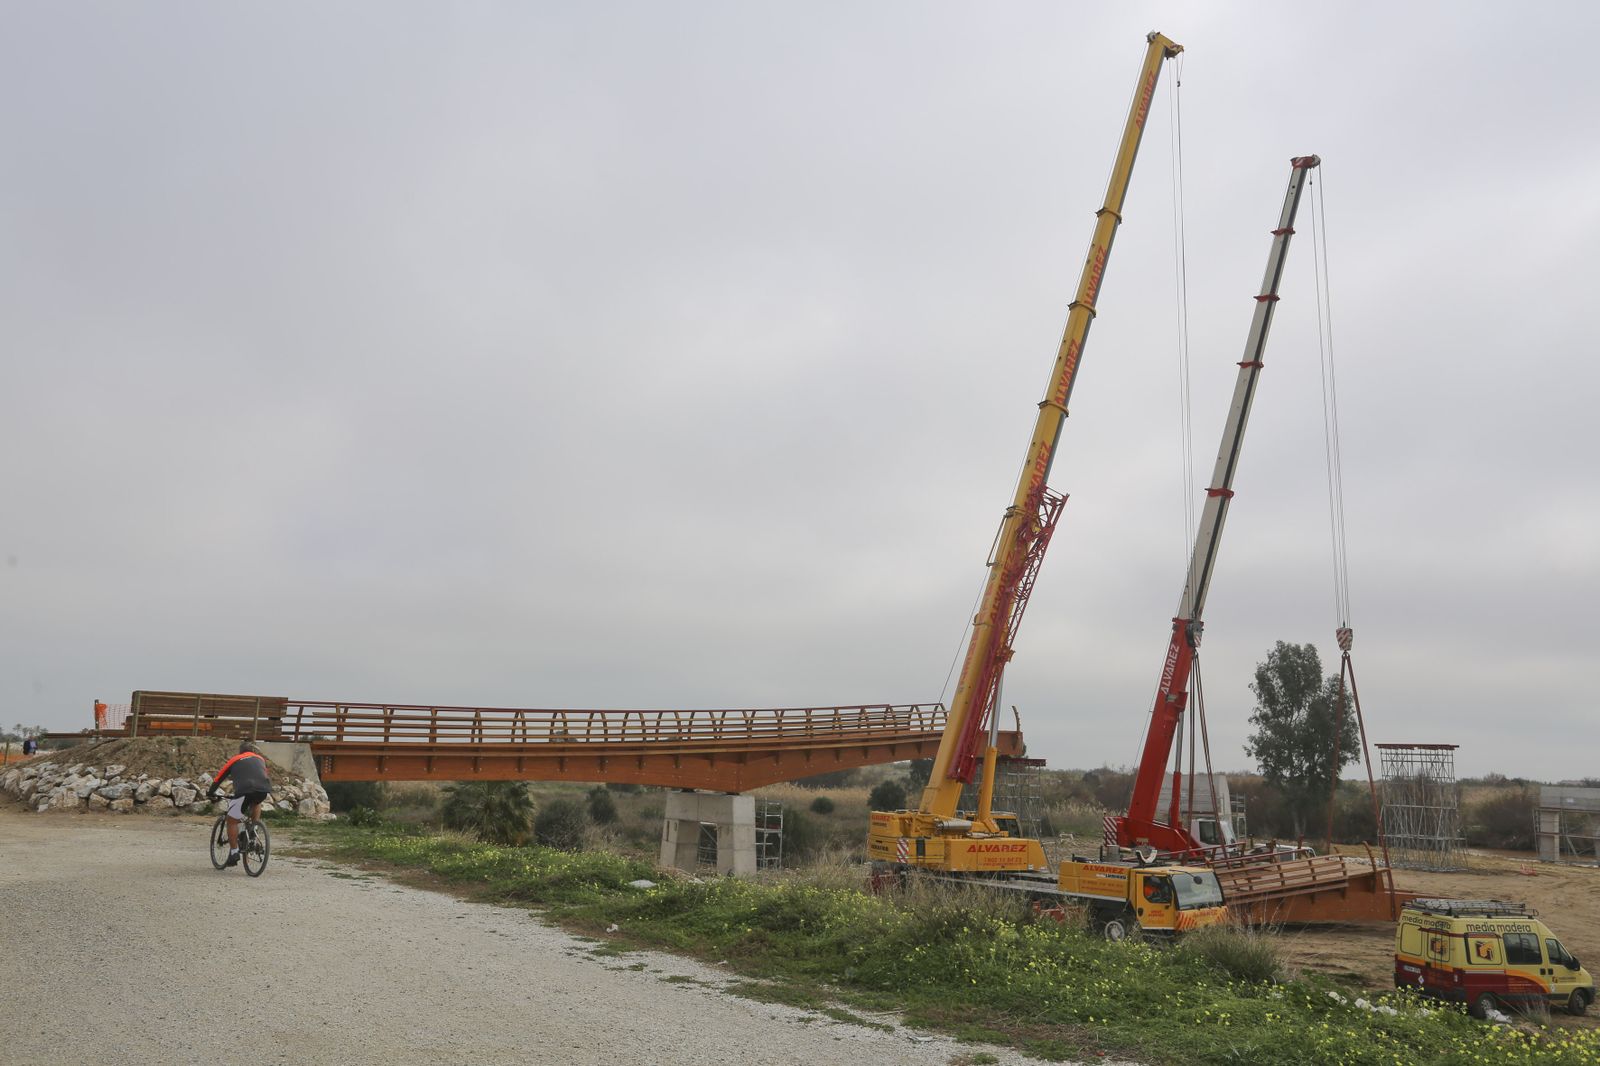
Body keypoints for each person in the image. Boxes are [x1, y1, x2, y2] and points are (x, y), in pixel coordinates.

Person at [206, 741, 272, 869]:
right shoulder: (260, 759)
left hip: (244, 790)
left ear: (240, 751)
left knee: (232, 820)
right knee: (256, 802)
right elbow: (264, 773)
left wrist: (210, 792)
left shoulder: (235, 759)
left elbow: (218, 778)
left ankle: (234, 852)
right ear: (252, 751)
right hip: (263, 789)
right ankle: (254, 827)